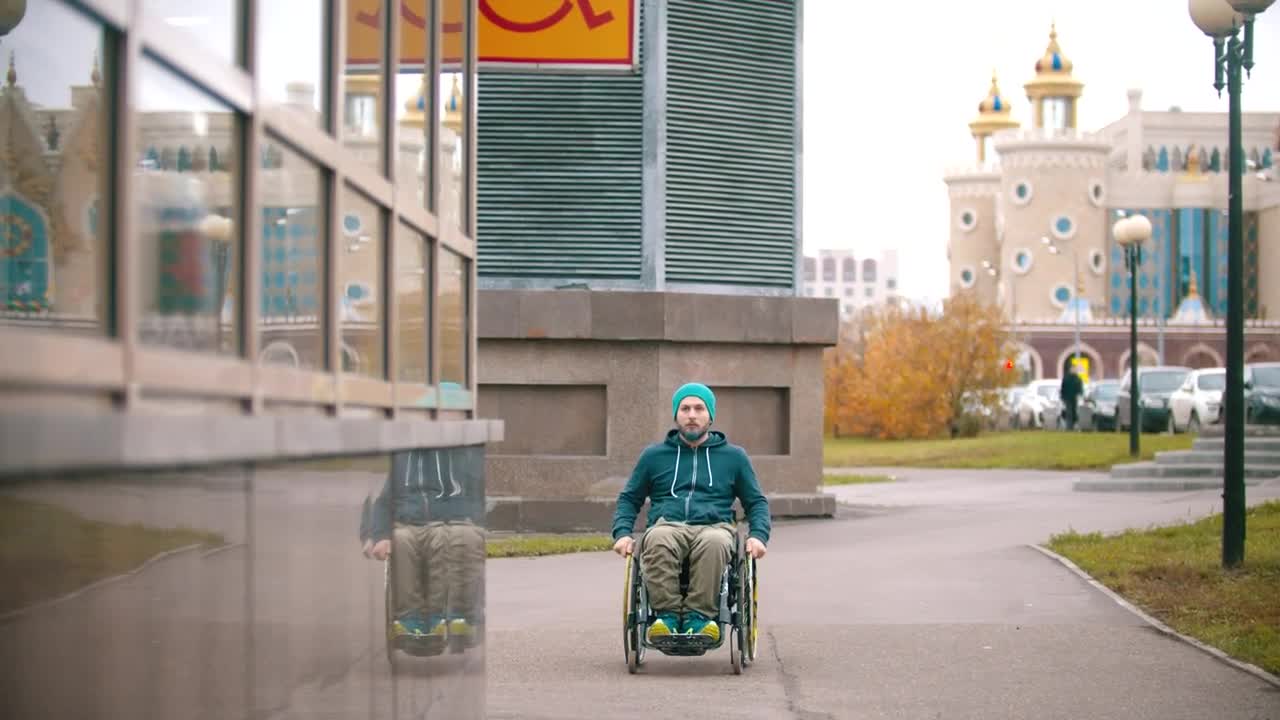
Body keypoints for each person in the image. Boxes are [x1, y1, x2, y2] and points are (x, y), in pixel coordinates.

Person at [611, 382, 770, 644]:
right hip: (667, 524)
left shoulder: (734, 457)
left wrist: (758, 536)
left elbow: (756, 502)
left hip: (715, 526)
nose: (692, 415)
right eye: (685, 409)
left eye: (699, 408)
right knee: (658, 538)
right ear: (676, 415)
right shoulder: (654, 456)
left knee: (714, 542)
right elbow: (629, 498)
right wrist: (622, 533)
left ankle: (700, 618)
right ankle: (667, 618)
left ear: (710, 415)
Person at [365, 447, 486, 646]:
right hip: (408, 522)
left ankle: (456, 614)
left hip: (451, 520)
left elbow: (475, 496)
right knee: (401, 540)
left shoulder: (460, 457)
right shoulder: (403, 459)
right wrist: (380, 536)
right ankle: (408, 618)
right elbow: (384, 502)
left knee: (461, 537)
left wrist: (475, 520)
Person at [1060, 365, 1084, 431]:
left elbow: (1080, 388)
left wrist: (1080, 394)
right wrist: (1062, 397)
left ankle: (1074, 425)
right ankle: (1069, 426)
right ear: (1070, 370)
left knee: (1074, 412)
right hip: (1067, 398)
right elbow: (1063, 388)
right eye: (1072, 369)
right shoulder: (1066, 378)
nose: (1073, 370)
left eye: (1074, 369)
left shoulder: (1078, 379)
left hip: (1075, 398)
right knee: (1069, 412)